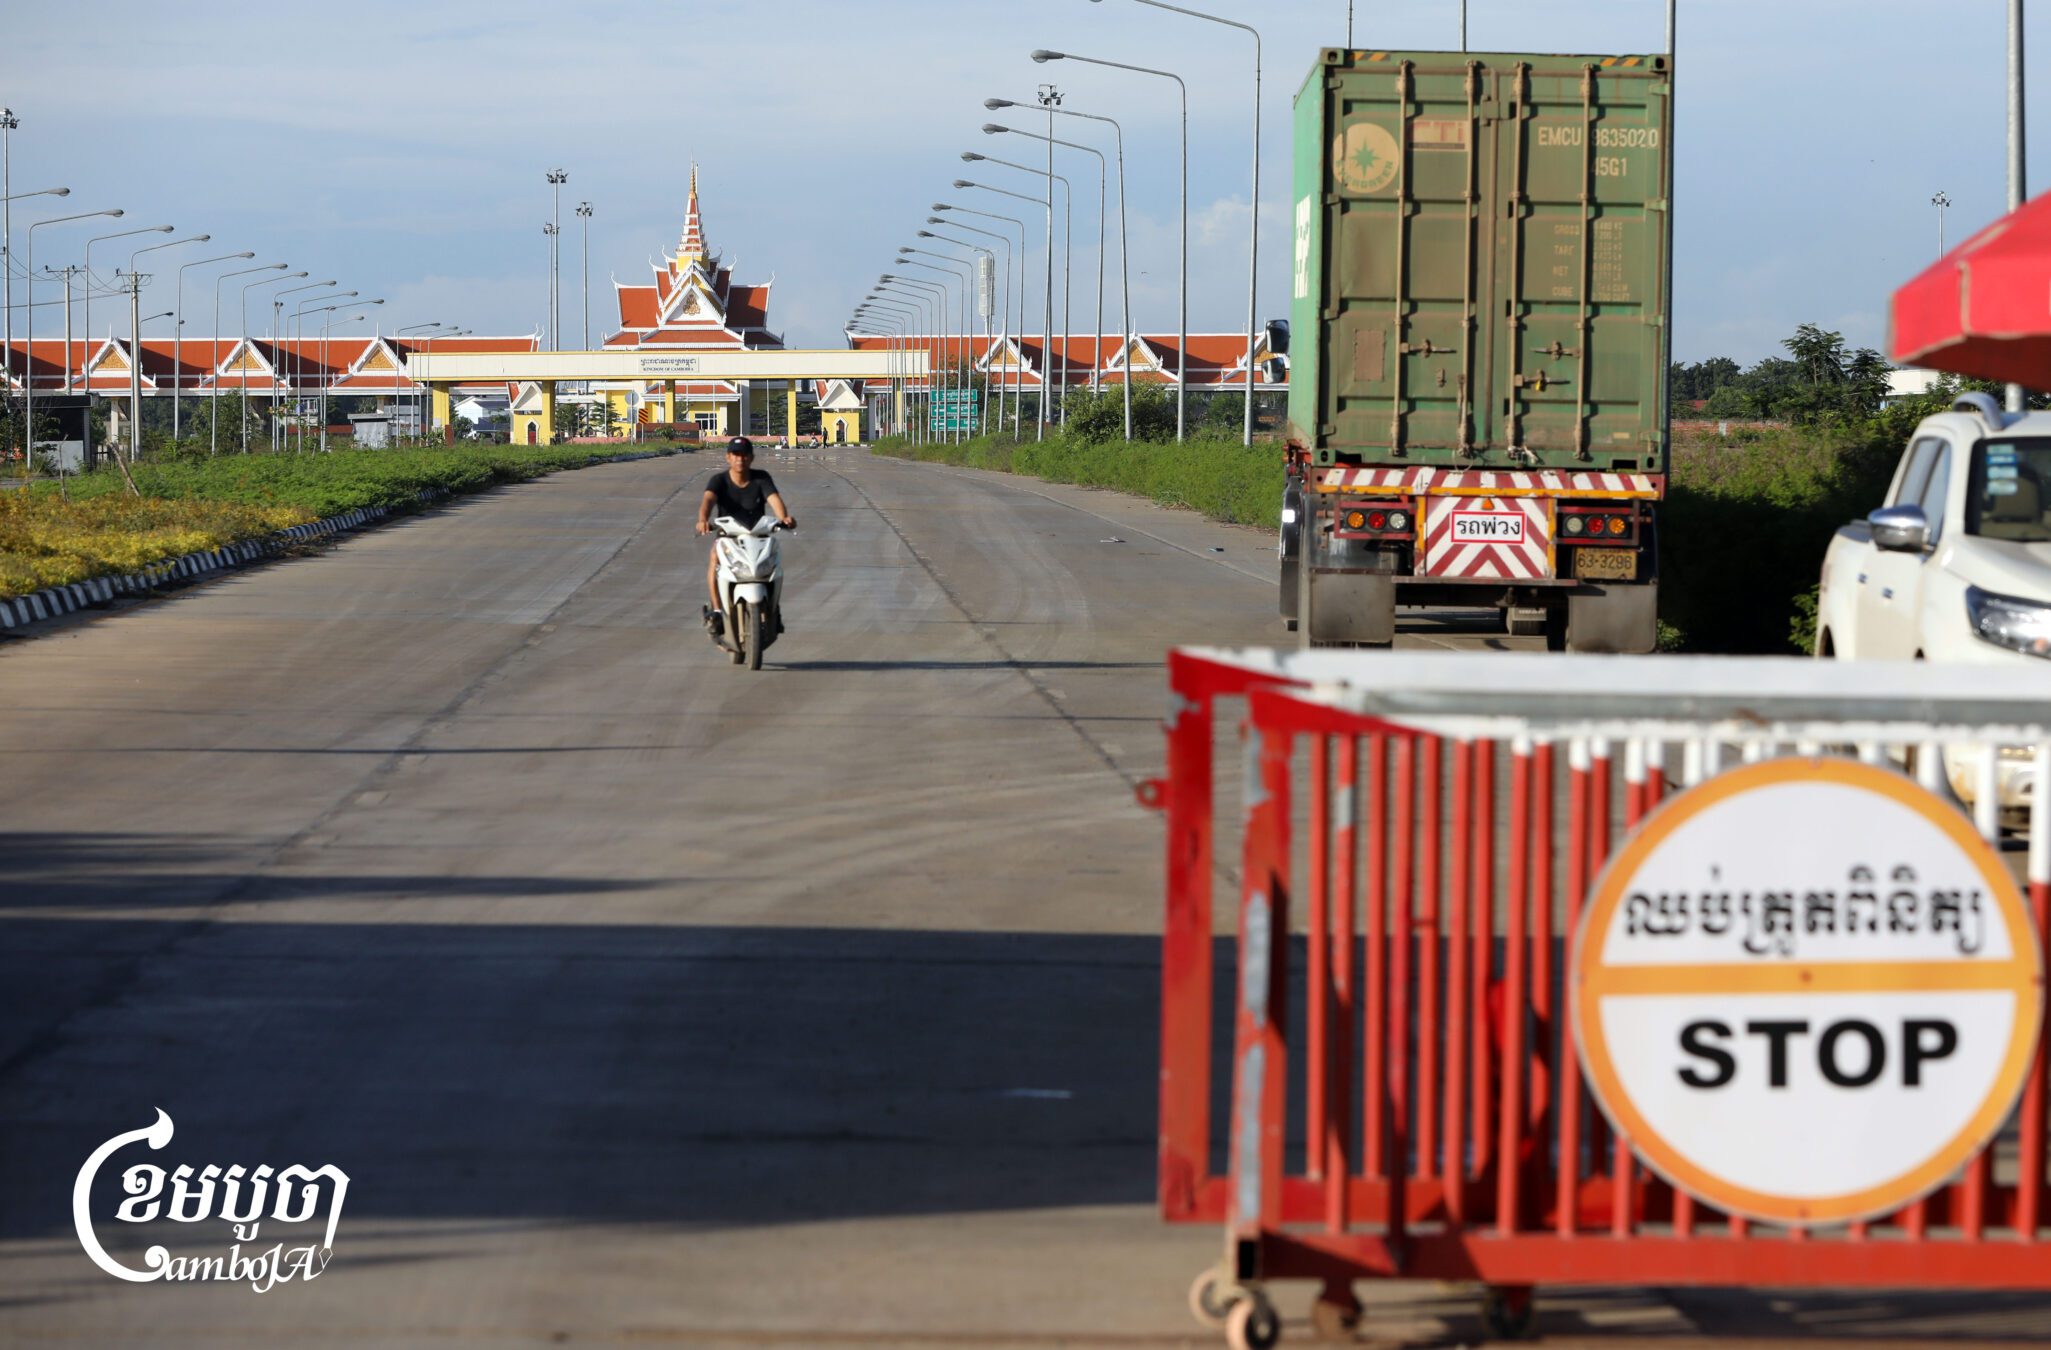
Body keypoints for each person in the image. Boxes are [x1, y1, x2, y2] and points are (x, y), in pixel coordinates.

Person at [696, 436, 795, 637]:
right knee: (714, 559)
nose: (740, 459)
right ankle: (716, 611)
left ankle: (774, 610)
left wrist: (784, 518)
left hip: (757, 536)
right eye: (736, 455)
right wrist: (703, 519)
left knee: (774, 563)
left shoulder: (761, 478)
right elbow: (708, 500)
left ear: (751, 458)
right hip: (728, 537)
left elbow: (774, 499)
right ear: (728, 458)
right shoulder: (719, 481)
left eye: (744, 455)